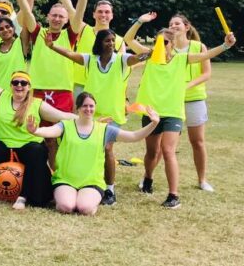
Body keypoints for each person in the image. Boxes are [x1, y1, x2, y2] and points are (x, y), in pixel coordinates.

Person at [124, 12, 235, 209]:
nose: (162, 46)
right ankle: (148, 178)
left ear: (172, 44)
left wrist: (226, 45)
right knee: (151, 152)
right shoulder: (148, 57)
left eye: (165, 43)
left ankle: (173, 195)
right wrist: (140, 21)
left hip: (173, 112)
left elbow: (206, 55)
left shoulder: (181, 59)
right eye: (158, 42)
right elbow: (128, 39)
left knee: (168, 151)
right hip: (151, 112)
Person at [42, 27, 143, 205]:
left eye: (113, 40)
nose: (111, 44)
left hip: (112, 115)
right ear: (100, 43)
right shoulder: (91, 60)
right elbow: (70, 54)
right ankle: (81, 183)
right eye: (107, 40)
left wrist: (149, 54)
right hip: (91, 114)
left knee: (108, 149)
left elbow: (137, 58)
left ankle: (110, 190)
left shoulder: (122, 60)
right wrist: (52, 46)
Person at [28, 93, 160, 215]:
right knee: (66, 207)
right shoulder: (65, 126)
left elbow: (133, 136)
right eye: (84, 106)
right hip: (65, 180)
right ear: (77, 108)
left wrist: (154, 124)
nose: (88, 109)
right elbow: (50, 131)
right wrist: (36, 131)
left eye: (91, 106)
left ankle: (89, 198)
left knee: (85, 208)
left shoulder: (104, 129)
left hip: (91, 182)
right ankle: (68, 196)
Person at [12, 0, 87, 167]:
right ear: (48, 17)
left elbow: (78, 13)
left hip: (61, 91)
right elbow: (27, 13)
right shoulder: (39, 33)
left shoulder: (69, 35)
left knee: (59, 136)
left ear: (65, 20)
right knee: (37, 135)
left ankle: (57, 171)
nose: (57, 18)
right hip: (37, 91)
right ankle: (39, 171)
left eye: (61, 16)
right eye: (53, 15)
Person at [0, 71, 76, 209]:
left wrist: (88, 119)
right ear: (11, 85)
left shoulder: (37, 104)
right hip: (4, 147)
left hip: (27, 148)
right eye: (15, 82)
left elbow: (62, 116)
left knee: (37, 150)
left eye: (23, 83)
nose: (19, 85)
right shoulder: (2, 96)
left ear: (29, 87)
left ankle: (23, 196)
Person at [168, 14, 215, 192]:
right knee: (166, 145)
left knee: (198, 142)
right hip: (172, 101)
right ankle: (147, 178)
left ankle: (202, 180)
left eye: (177, 23)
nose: (174, 26)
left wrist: (187, 86)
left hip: (194, 99)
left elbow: (206, 73)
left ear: (187, 27)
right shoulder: (166, 47)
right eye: (171, 24)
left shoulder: (198, 46)